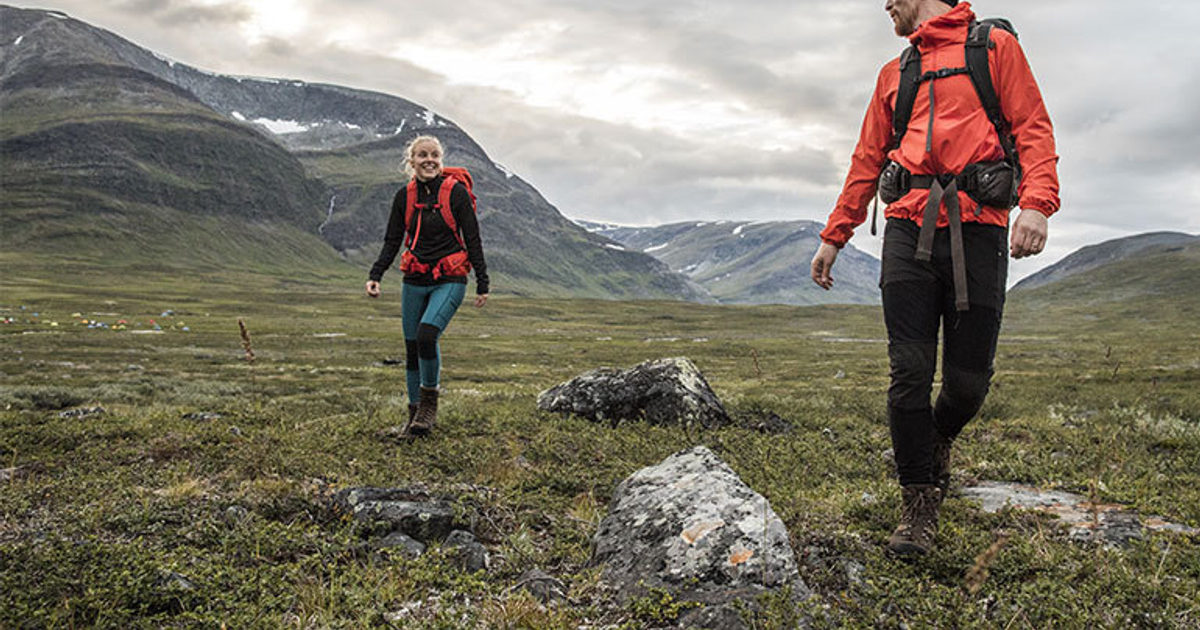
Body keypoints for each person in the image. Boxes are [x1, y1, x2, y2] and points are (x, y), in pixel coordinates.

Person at [811, 0, 1059, 555]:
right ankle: (918, 505)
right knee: (908, 371)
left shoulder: (995, 47)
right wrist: (835, 235)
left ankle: (938, 436)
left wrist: (1037, 204)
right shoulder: (894, 73)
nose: (886, 6)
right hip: (905, 230)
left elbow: (1032, 127)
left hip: (978, 230)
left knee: (968, 384)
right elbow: (867, 159)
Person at [366, 135, 489, 437]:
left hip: (450, 279)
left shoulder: (456, 194)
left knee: (426, 335)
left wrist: (482, 282)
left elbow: (472, 238)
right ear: (412, 161)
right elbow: (393, 240)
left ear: (441, 159)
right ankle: (413, 417)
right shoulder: (403, 197)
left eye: (434, 154)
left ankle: (429, 405)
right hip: (414, 279)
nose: (429, 160)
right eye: (422, 155)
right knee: (411, 348)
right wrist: (376, 274)